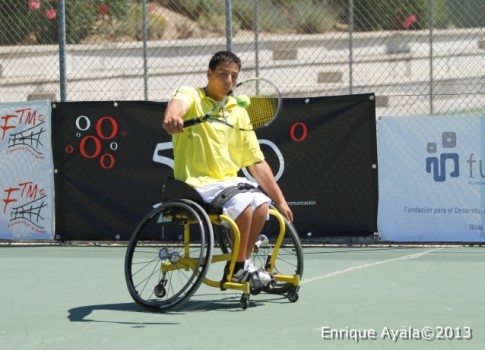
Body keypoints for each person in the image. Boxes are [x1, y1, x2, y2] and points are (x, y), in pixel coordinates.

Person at [163, 51, 292, 286]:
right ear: (209, 74)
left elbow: (256, 161)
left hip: (228, 183)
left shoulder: (238, 111)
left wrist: (280, 200)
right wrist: (173, 117)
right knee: (242, 206)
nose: (229, 81)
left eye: (233, 76)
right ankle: (239, 267)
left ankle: (240, 264)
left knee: (261, 204)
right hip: (195, 184)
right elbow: (178, 106)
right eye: (223, 74)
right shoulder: (191, 94)